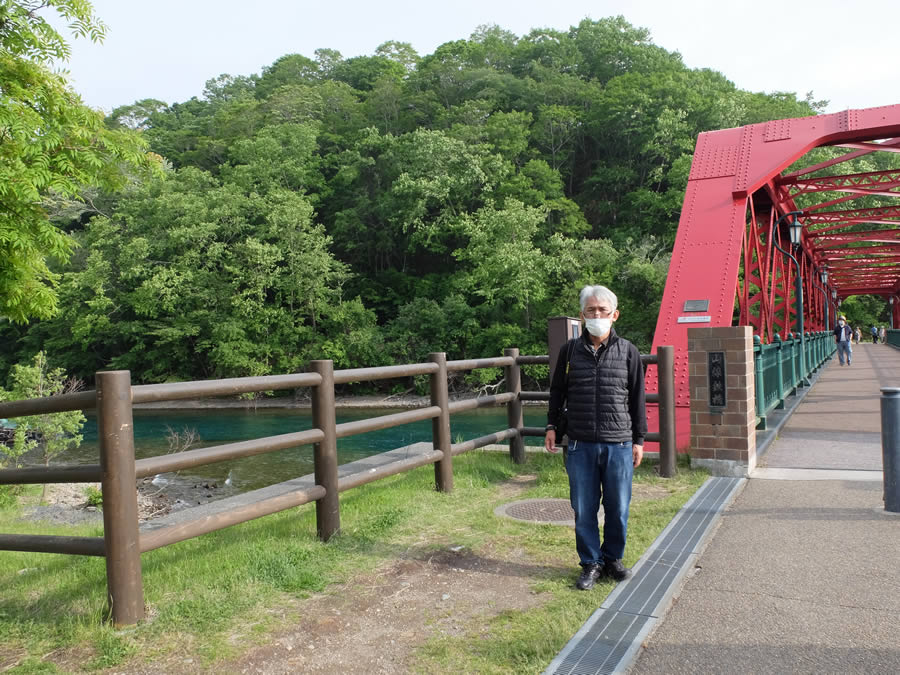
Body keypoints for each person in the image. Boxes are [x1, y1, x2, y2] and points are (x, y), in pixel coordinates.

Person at [544, 285, 647, 590]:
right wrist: (552, 426)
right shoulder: (569, 351)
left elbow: (637, 398)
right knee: (584, 507)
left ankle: (613, 559)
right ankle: (590, 563)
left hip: (619, 442)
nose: (597, 315)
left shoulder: (628, 351)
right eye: (591, 310)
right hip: (579, 442)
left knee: (618, 506)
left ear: (614, 315)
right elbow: (557, 392)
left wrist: (639, 440)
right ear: (582, 315)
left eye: (603, 310)